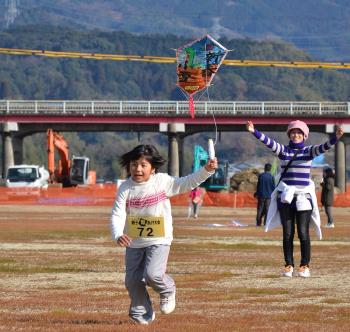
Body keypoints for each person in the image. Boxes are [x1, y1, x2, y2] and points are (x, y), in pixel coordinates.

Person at [110, 144, 217, 325]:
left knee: (153, 274)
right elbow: (117, 213)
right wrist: (118, 234)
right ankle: (142, 312)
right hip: (134, 242)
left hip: (159, 239)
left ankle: (167, 290)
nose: (138, 169)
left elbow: (187, 182)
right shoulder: (125, 188)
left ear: (153, 168)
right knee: (132, 281)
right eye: (134, 164)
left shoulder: (162, 182)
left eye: (143, 165)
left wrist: (206, 170)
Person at [246, 120, 343, 278]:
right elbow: (269, 142)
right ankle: (288, 265)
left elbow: (323, 147)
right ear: (289, 135)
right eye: (293, 132)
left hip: (303, 198)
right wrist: (253, 131)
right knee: (287, 234)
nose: (295, 135)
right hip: (286, 199)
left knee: (303, 234)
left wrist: (336, 138)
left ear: (304, 135)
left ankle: (304, 265)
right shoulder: (284, 151)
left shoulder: (309, 151)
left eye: (299, 133)